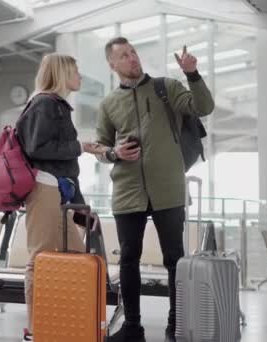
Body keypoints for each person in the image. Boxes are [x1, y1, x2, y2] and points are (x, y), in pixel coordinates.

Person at [95, 37, 215, 342]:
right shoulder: (109, 104)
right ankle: (132, 327)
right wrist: (114, 153)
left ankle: (176, 325)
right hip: (127, 191)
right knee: (128, 259)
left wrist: (192, 74)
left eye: (133, 52)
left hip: (168, 188)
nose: (132, 58)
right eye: (124, 56)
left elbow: (204, 106)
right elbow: (101, 146)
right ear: (113, 64)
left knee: (175, 258)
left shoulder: (167, 87)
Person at [16, 53, 105, 341]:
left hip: (60, 191)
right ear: (62, 73)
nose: (80, 75)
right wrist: (79, 146)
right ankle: (36, 328)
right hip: (44, 190)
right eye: (76, 70)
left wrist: (80, 205)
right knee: (39, 258)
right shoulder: (44, 104)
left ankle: (62, 322)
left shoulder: (57, 106)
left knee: (76, 255)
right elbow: (37, 148)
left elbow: (64, 165)